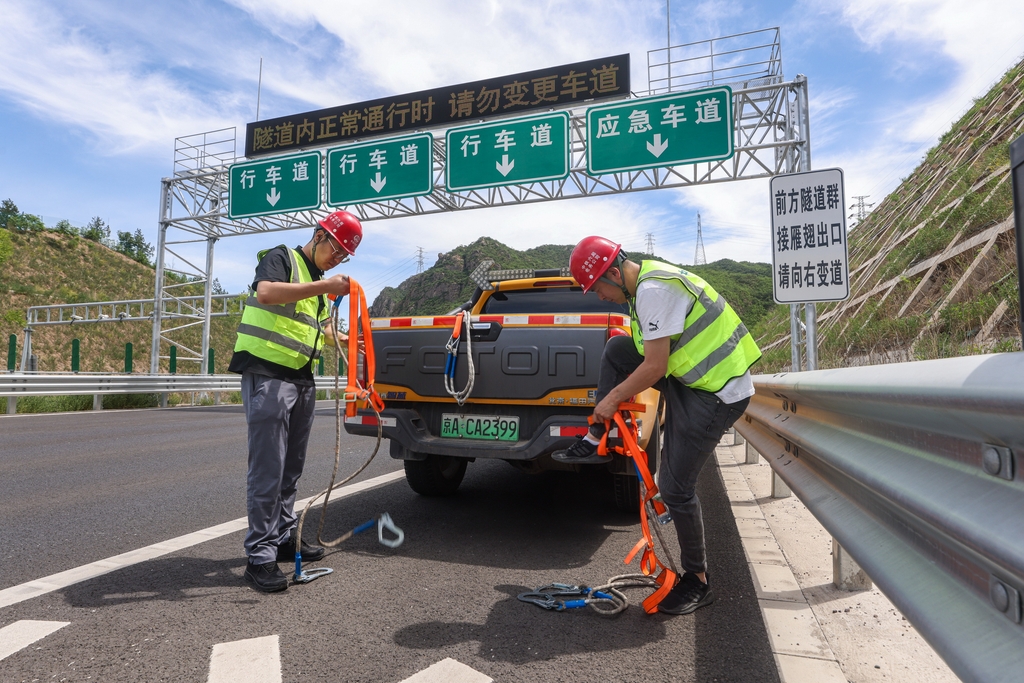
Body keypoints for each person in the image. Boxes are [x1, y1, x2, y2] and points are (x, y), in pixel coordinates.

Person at [553, 236, 761, 615]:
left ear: (615, 274)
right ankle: (596, 435)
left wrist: (612, 399)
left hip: (716, 390)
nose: (599, 296)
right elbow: (644, 355)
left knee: (675, 489)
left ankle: (697, 580)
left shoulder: (653, 291)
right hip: (691, 380)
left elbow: (654, 366)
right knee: (617, 348)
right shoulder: (641, 289)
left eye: (598, 287)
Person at [228, 210, 364, 593]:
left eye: (344, 255)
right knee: (268, 470)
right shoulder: (283, 257)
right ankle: (260, 557)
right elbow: (266, 293)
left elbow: (319, 329)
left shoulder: (318, 284)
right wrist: (326, 287)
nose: (338, 258)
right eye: (336, 249)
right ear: (319, 235)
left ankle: (284, 538)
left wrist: (351, 343)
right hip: (268, 374)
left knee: (291, 468)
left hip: (301, 379)